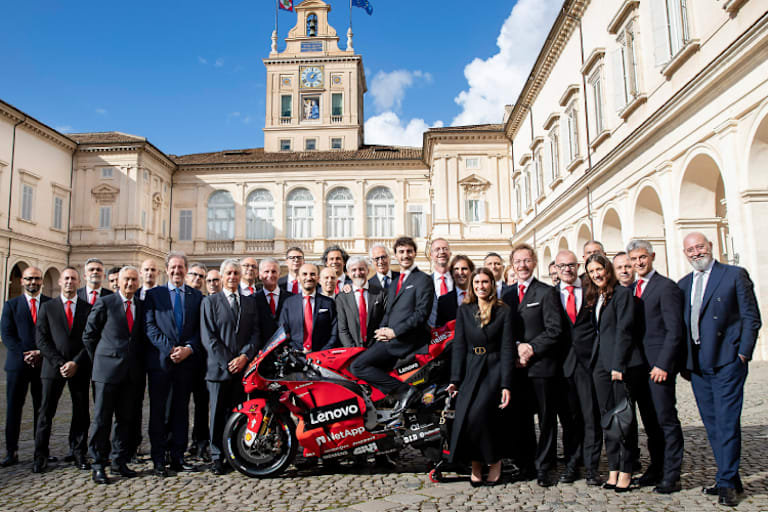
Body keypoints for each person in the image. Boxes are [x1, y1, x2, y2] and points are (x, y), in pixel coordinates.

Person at [678, 232, 761, 507]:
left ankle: (726, 482)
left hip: (727, 360)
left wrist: (743, 353)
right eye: (690, 250)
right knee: (712, 424)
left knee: (726, 421)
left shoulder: (734, 275)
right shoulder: (684, 284)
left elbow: (751, 317)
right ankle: (730, 474)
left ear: (710, 247)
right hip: (699, 364)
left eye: (699, 247)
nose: (695, 253)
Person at [350, 237, 434, 416]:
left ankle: (405, 391)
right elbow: (388, 313)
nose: (405, 255)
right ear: (395, 255)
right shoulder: (396, 281)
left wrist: (394, 332)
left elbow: (421, 314)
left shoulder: (423, 279)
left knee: (357, 367)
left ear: (415, 253)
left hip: (406, 340)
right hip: (389, 338)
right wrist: (380, 331)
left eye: (409, 251)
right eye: (401, 252)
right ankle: (392, 400)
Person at [446, 268, 514, 486]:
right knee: (469, 419)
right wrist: (455, 379)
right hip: (471, 369)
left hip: (494, 368)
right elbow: (459, 345)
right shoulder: (465, 310)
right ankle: (476, 464)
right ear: (472, 286)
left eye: (485, 282)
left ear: (492, 284)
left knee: (485, 417)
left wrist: (506, 383)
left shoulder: (503, 311)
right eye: (477, 283)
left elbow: (506, 348)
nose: (481, 286)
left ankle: (495, 463)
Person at [502, 243, 562, 487]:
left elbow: (555, 329)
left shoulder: (546, 292)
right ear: (512, 265)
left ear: (534, 263)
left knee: (547, 419)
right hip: (516, 368)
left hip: (541, 366)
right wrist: (517, 345)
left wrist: (531, 347)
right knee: (521, 419)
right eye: (518, 261)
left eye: (527, 261)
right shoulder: (505, 295)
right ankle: (526, 464)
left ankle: (545, 466)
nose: (522, 266)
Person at [627, 240, 684, 493]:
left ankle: (672, 474)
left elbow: (674, 330)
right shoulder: (630, 288)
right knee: (650, 422)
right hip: (639, 368)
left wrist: (663, 364)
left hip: (658, 367)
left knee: (666, 420)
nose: (639, 263)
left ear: (652, 256)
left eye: (642, 257)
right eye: (634, 259)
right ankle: (656, 467)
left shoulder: (666, 287)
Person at [584, 254, 644, 493]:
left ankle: (626, 470)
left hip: (619, 366)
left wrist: (618, 366)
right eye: (591, 272)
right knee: (608, 420)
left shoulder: (622, 295)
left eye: (599, 269)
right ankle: (613, 469)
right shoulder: (598, 296)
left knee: (624, 420)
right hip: (599, 364)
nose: (596, 274)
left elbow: (624, 331)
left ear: (608, 269)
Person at [144, 252, 204, 476]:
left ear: (186, 270)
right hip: (161, 362)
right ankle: (158, 458)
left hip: (187, 362)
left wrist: (188, 348)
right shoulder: (154, 294)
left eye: (181, 267)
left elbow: (200, 329)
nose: (177, 271)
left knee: (181, 411)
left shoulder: (196, 296)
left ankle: (178, 456)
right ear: (166, 269)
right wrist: (169, 349)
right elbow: (149, 326)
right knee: (159, 412)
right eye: (173, 267)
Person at [83, 266, 144, 484]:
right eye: (127, 280)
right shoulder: (106, 303)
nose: (130, 284)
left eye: (134, 280)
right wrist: (101, 359)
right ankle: (98, 464)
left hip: (130, 374)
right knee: (101, 420)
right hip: (106, 373)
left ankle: (119, 460)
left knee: (125, 420)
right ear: (118, 281)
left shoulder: (141, 306)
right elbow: (89, 335)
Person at [200, 259, 261, 475]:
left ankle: (233, 452)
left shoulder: (249, 302)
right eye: (229, 273)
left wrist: (244, 356)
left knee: (238, 414)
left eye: (236, 273)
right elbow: (209, 338)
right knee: (217, 415)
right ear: (223, 276)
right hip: (219, 370)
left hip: (243, 369)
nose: (233, 277)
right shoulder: (210, 302)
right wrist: (229, 362)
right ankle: (217, 456)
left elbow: (255, 333)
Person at [33, 267, 91, 473]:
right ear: (59, 282)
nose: (69, 282)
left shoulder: (87, 308)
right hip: (52, 368)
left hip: (79, 367)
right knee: (45, 413)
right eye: (66, 278)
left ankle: (78, 452)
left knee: (81, 413)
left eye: (73, 279)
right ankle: (40, 455)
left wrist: (75, 362)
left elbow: (90, 339)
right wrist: (60, 363)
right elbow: (41, 339)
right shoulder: (48, 308)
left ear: (79, 282)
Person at [552, 251, 602, 486]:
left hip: (590, 363)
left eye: (571, 265)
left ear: (577, 265)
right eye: (562, 266)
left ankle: (592, 468)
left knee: (591, 418)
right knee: (570, 420)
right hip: (563, 366)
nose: (567, 269)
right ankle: (572, 465)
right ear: (556, 268)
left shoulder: (593, 290)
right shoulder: (550, 295)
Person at [1, 266, 49, 467]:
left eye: (37, 279)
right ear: (22, 281)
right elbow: (7, 335)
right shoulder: (11, 305)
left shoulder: (50, 304)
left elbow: (54, 334)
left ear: (42, 281)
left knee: (42, 410)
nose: (33, 282)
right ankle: (12, 451)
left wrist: (41, 352)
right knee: (14, 409)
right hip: (17, 365)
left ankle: (42, 452)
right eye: (29, 279)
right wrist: (25, 354)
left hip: (43, 365)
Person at [279, 263, 338, 352]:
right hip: (296, 357)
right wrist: (294, 351)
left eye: (312, 274)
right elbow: (283, 332)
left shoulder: (328, 303)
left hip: (322, 356)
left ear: (318, 278)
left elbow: (334, 332)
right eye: (305, 274)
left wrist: (324, 351)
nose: (309, 278)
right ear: (298, 278)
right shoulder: (289, 303)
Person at [186, 263, 210, 461]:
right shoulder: (176, 299)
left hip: (202, 362)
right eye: (194, 275)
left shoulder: (204, 301)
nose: (197, 279)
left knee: (202, 406)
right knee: (179, 407)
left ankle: (201, 443)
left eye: (201, 276)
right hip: (180, 362)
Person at [337, 256, 387, 347]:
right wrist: (353, 350)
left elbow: (385, 321)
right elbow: (342, 329)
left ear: (368, 271)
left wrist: (376, 347)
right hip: (352, 351)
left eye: (361, 269)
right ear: (348, 273)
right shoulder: (342, 298)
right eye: (354, 270)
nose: (358, 273)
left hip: (377, 349)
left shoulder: (381, 293)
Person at [254, 257, 292, 347]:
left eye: (274, 272)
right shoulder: (252, 300)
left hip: (286, 351)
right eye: (266, 272)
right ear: (260, 275)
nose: (270, 275)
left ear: (279, 274)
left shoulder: (291, 299)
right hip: (260, 352)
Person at [435, 255, 475, 327]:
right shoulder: (443, 301)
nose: (460, 272)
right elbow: (440, 328)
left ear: (471, 272)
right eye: (456, 269)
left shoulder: (480, 297)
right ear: (452, 273)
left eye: (464, 269)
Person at [428, 238, 453, 326]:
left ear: (450, 254)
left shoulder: (459, 281)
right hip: (433, 336)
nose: (442, 252)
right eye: (437, 249)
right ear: (431, 255)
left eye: (445, 249)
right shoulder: (424, 283)